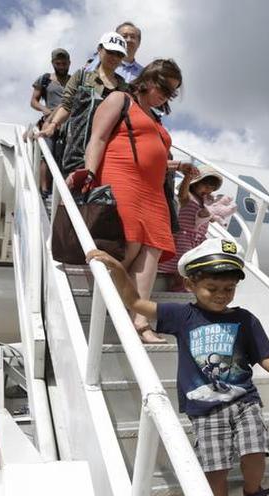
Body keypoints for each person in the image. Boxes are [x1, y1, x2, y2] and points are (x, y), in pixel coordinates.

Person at [88, 239, 269, 496]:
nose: (221, 295)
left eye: (228, 289)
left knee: (255, 449)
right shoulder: (181, 316)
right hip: (204, 408)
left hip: (243, 399)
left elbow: (266, 357)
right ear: (190, 284)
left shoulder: (244, 319)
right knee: (215, 468)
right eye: (212, 288)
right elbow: (135, 302)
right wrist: (118, 268)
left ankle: (253, 490)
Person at [67, 58, 195, 343]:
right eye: (163, 87)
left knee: (152, 253)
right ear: (148, 79)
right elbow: (98, 138)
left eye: (171, 92)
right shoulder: (120, 99)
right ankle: (113, 309)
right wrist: (88, 172)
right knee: (129, 246)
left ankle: (141, 322)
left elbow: (155, 158)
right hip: (122, 178)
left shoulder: (156, 119)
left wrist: (178, 167)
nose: (165, 95)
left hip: (154, 192)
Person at [37, 32, 130, 144]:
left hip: (112, 146)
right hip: (79, 147)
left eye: (119, 54)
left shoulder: (124, 87)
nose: (114, 57)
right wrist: (53, 125)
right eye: (110, 52)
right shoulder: (81, 77)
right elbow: (67, 105)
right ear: (99, 49)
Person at [157, 169, 235, 281]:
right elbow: (182, 195)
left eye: (212, 187)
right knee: (184, 264)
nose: (208, 189)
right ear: (195, 183)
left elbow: (209, 218)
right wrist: (187, 178)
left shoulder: (206, 201)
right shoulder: (188, 196)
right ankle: (179, 285)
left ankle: (181, 285)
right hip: (184, 237)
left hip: (198, 238)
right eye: (205, 185)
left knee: (194, 263)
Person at [30, 48, 71, 194]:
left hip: (68, 122)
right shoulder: (46, 79)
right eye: (58, 63)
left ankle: (62, 190)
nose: (61, 66)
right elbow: (33, 101)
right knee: (47, 152)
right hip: (49, 120)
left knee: (66, 155)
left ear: (69, 63)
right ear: (53, 63)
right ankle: (44, 189)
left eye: (64, 63)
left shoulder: (73, 81)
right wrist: (44, 109)